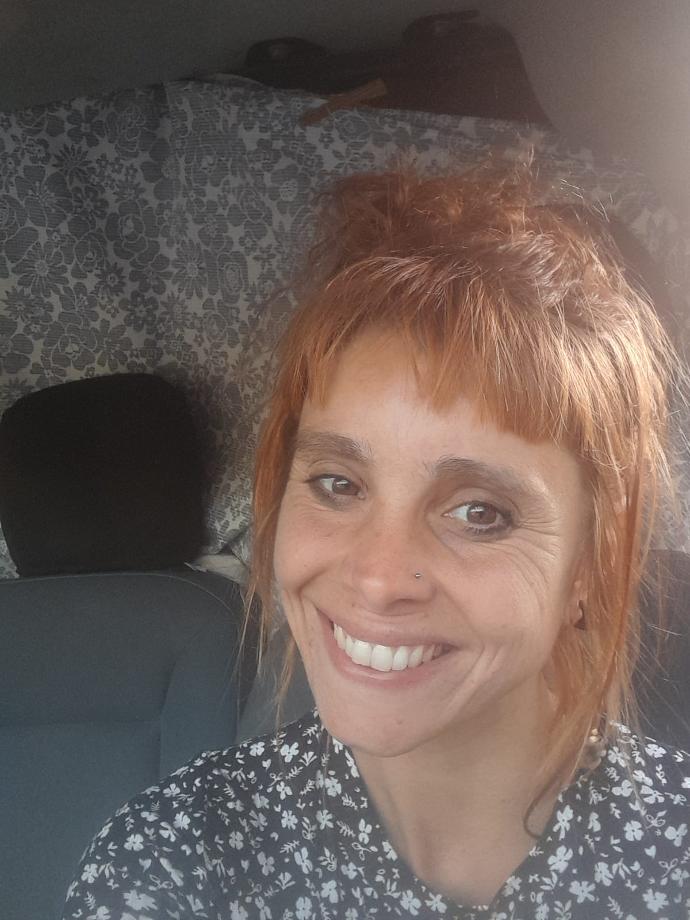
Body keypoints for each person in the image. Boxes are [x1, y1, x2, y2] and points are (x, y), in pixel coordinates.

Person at [62, 163, 690, 919]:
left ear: (589, 564)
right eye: (338, 484)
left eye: (480, 512)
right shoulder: (173, 860)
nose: (379, 578)